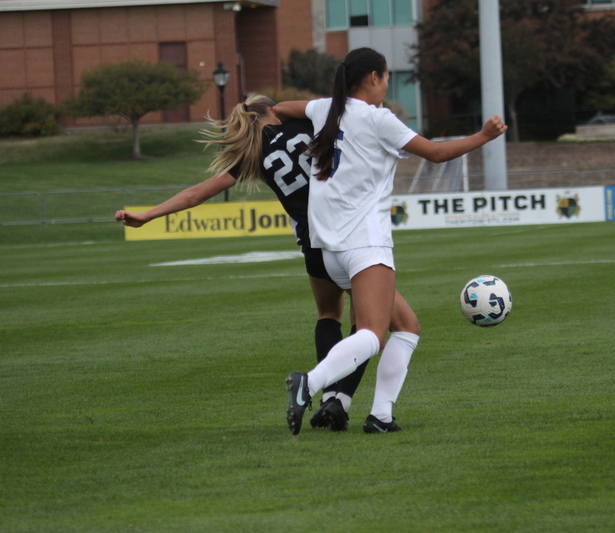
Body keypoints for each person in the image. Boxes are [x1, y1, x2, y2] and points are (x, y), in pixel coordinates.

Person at [114, 94, 382, 431]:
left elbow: (198, 193)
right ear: (274, 111)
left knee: (329, 315)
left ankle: (330, 397)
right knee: (369, 322)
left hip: (314, 243)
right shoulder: (307, 122)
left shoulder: (254, 153)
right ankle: (342, 401)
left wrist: (148, 214)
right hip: (349, 229)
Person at [275, 47, 507, 435]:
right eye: (386, 78)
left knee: (407, 327)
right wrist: (484, 135)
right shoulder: (377, 118)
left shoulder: (323, 110)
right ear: (372, 79)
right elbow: (434, 153)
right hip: (364, 244)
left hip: (330, 250)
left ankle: (380, 416)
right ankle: (310, 384)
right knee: (371, 333)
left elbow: (281, 108)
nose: (386, 85)